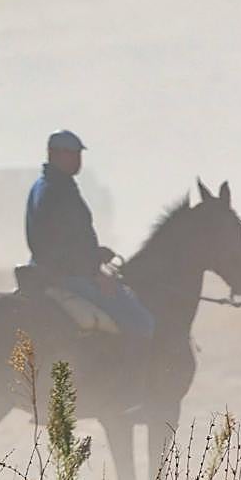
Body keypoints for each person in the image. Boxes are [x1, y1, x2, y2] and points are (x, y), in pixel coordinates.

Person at [25, 129, 154, 340]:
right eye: (72, 154)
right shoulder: (57, 190)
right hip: (69, 274)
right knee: (141, 322)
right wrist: (94, 271)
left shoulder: (45, 186)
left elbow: (64, 238)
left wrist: (96, 253)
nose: (78, 160)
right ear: (54, 154)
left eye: (78, 154)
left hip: (51, 268)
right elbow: (63, 241)